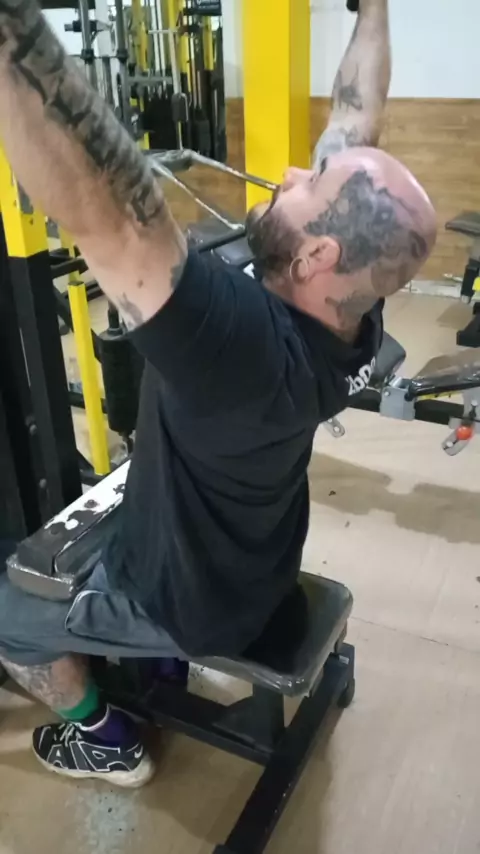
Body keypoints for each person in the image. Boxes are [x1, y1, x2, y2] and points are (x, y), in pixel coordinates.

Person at [0, 0, 436, 787]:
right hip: (253, 566)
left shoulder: (242, 354)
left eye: (310, 183)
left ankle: (103, 738)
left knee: (7, 614)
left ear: (317, 256)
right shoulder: (352, 314)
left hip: (181, 602)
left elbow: (106, 210)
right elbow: (353, 122)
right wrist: (373, 10)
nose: (295, 170)